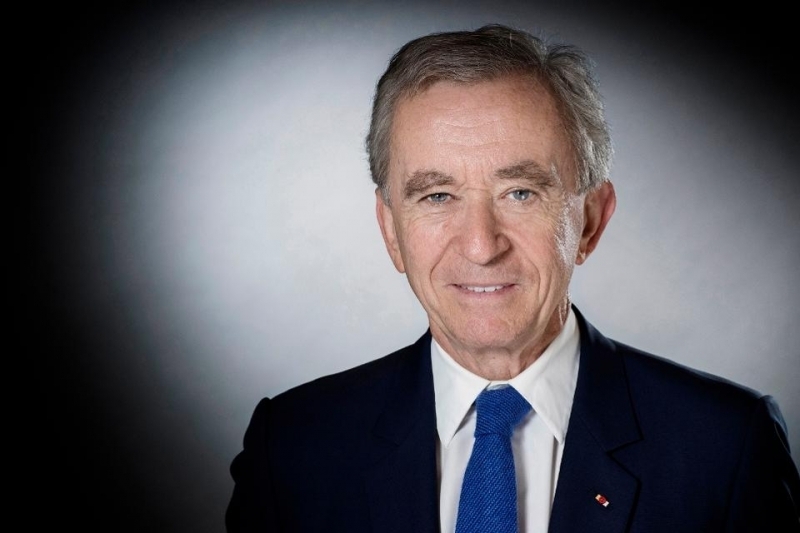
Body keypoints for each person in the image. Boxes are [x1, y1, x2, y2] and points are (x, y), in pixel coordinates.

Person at [226, 24, 800, 532]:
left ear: (590, 221)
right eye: (437, 195)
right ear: (390, 230)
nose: (481, 246)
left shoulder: (725, 447)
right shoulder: (294, 447)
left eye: (520, 193)